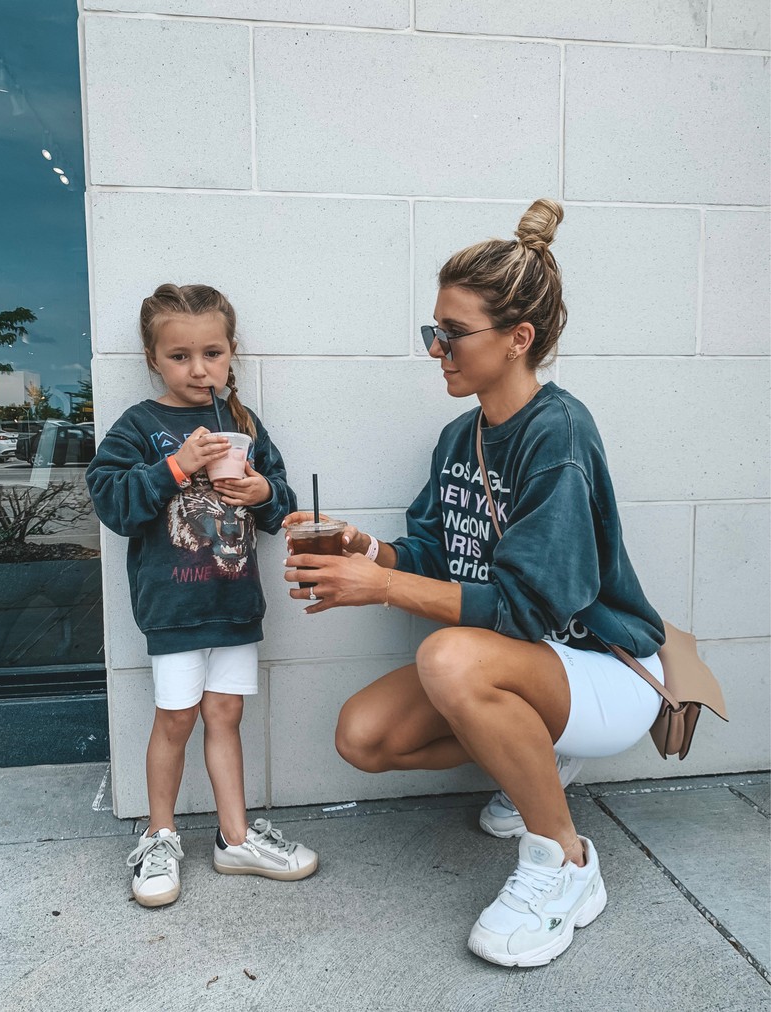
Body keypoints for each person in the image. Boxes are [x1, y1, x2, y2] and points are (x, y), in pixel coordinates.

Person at [282, 200, 664, 967]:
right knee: (364, 737)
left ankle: (565, 864)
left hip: (602, 667)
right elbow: (433, 547)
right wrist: (368, 549)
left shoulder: (559, 434)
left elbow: (531, 608)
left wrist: (379, 588)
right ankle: (538, 765)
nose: (437, 350)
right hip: (525, 665)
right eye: (434, 332)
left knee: (449, 657)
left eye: (452, 334)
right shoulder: (462, 435)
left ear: (519, 339)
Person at [87, 283, 317, 908]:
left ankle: (235, 838)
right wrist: (177, 466)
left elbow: (285, 504)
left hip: (234, 604)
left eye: (211, 353)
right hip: (174, 609)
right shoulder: (140, 426)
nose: (199, 368)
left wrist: (264, 494)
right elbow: (112, 503)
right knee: (175, 720)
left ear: (231, 353)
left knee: (226, 717)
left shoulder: (241, 422)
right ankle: (159, 835)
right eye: (180, 356)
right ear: (152, 358)